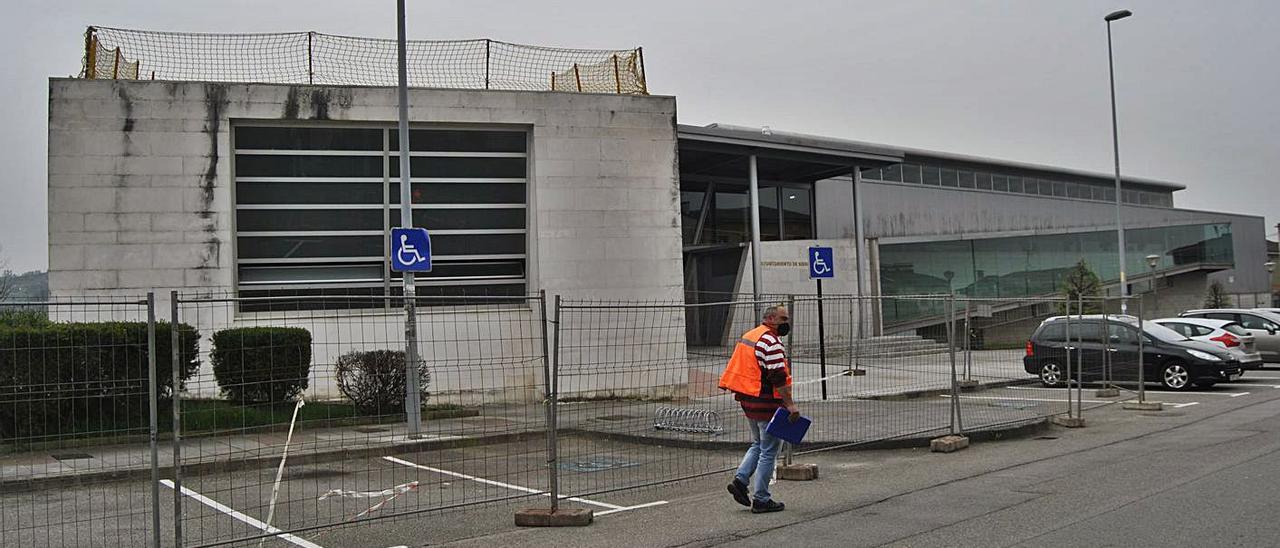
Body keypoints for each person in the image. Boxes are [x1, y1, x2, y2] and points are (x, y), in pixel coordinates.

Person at [719, 304, 798, 513]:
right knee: (769, 450)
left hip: (749, 399)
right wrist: (790, 405)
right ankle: (761, 498)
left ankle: (740, 480)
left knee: (758, 443)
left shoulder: (752, 335)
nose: (786, 323)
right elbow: (778, 377)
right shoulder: (770, 342)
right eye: (783, 319)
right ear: (770, 319)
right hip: (766, 402)